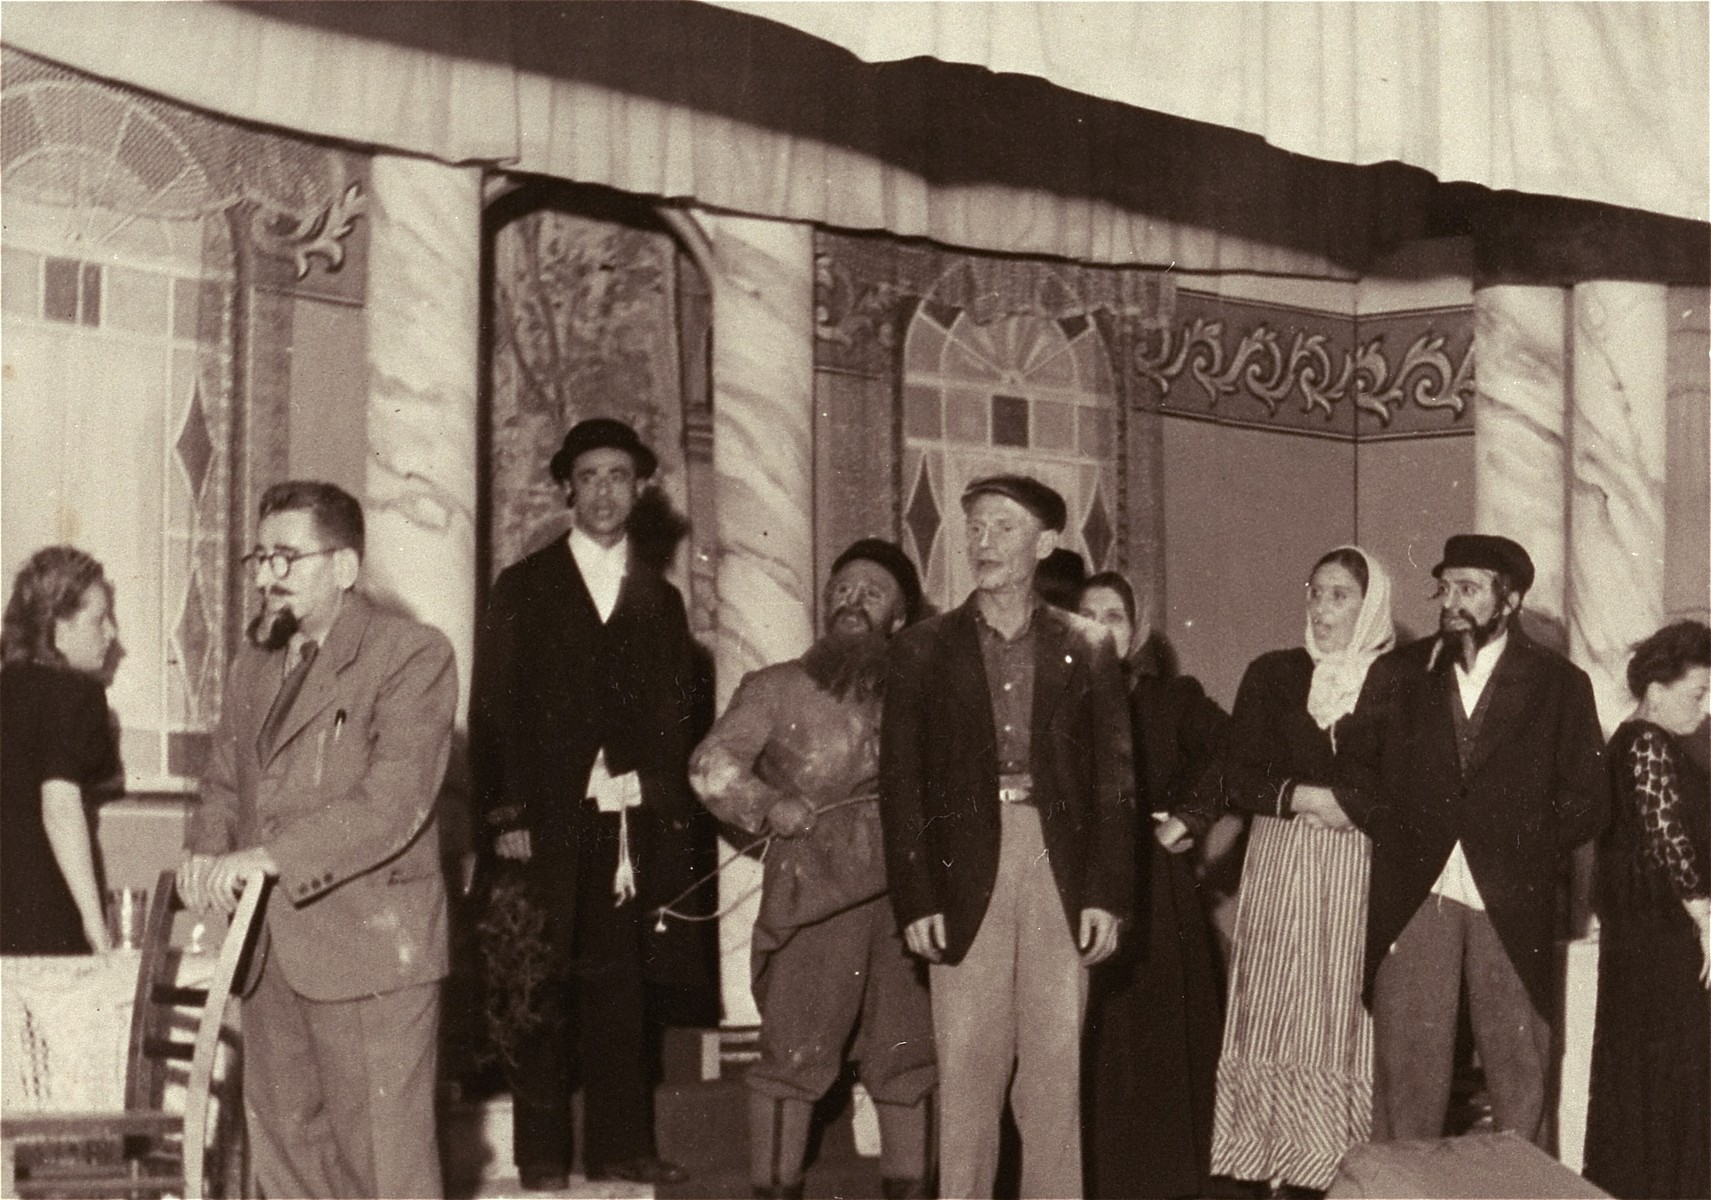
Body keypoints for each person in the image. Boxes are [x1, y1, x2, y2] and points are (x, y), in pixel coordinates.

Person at [177, 481, 458, 1199]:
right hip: (267, 950)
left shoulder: (410, 656)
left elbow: (393, 801)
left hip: (369, 955)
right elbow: (224, 785)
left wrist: (272, 857)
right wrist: (205, 853)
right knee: (288, 1160)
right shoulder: (254, 665)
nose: (267, 577)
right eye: (260, 557)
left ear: (344, 568)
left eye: (287, 558)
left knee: (382, 1168)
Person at [880, 473, 1135, 1200]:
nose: (983, 543)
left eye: (1003, 527)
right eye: (975, 527)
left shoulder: (1087, 646)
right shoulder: (922, 648)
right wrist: (915, 896)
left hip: (1058, 869)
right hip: (962, 871)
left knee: (1055, 1078)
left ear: (1046, 541)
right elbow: (900, 784)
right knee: (966, 1073)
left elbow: (1115, 786)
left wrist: (1107, 896)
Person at [469, 417, 700, 1189]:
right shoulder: (524, 587)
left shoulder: (660, 602)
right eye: (590, 475)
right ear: (567, 486)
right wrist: (504, 817)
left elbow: (673, 722)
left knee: (621, 982)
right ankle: (541, 1155)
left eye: (619, 476)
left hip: (626, 822)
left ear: (640, 490)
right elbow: (494, 709)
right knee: (536, 980)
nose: (604, 490)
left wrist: (657, 798)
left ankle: (619, 1147)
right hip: (542, 825)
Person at [1337, 534, 1605, 1148]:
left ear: (1508, 601)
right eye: (1445, 587)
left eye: (1469, 589)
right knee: (1409, 1069)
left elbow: (1590, 798)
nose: (1451, 601)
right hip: (1414, 892)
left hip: (1511, 896)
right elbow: (1353, 771)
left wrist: (1528, 847)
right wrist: (1401, 830)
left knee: (1520, 1072)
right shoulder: (1398, 672)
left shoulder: (1559, 684)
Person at [691, 538, 935, 1200]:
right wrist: (768, 803)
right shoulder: (774, 688)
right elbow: (710, 766)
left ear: (900, 617)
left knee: (906, 1060)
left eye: (871, 592)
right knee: (792, 1061)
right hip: (815, 901)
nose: (851, 602)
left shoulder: (926, 694)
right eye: (841, 590)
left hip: (907, 906)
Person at [1207, 546, 1393, 1195]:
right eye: (1314, 593)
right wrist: (1301, 796)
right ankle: (1266, 1161)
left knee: (1336, 1008)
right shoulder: (1272, 673)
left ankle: (1331, 1169)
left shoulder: (1398, 682)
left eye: (1338, 595)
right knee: (1273, 1003)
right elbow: (1238, 770)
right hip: (1280, 861)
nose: (1320, 608)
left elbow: (1410, 779)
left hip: (1355, 867)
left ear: (1368, 605)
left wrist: (1351, 805)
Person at [1077, 571, 1229, 1200]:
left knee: (1158, 1041)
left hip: (1153, 891)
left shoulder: (1173, 698)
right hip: (1070, 878)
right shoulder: (1051, 697)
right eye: (1087, 614)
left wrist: (1189, 819)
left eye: (1114, 615)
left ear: (1135, 630)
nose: (1099, 627)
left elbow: (1235, 751)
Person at [1583, 620, 1710, 1200]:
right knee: (1669, 1081)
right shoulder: (1646, 742)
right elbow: (1666, 835)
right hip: (1663, 941)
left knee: (1651, 1082)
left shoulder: (1646, 740)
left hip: (1651, 940)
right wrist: (1706, 917)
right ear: (1656, 690)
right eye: (1698, 693)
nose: (1706, 708)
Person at [1, 546, 121, 955]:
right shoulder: (77, 693)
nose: (111, 633)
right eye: (99, 619)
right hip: (41, 911)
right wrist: (96, 927)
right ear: (58, 628)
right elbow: (61, 808)